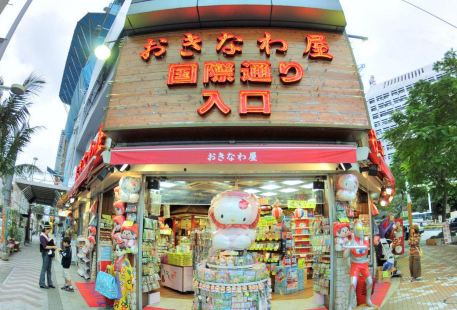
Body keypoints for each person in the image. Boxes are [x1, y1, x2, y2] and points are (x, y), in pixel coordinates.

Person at [39, 223, 59, 289]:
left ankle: (50, 283)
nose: (49, 231)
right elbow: (45, 246)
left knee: (49, 269)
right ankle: (42, 283)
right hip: (45, 253)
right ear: (45, 229)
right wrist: (53, 246)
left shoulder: (47, 235)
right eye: (48, 230)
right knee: (44, 268)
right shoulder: (42, 236)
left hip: (49, 253)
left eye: (49, 230)